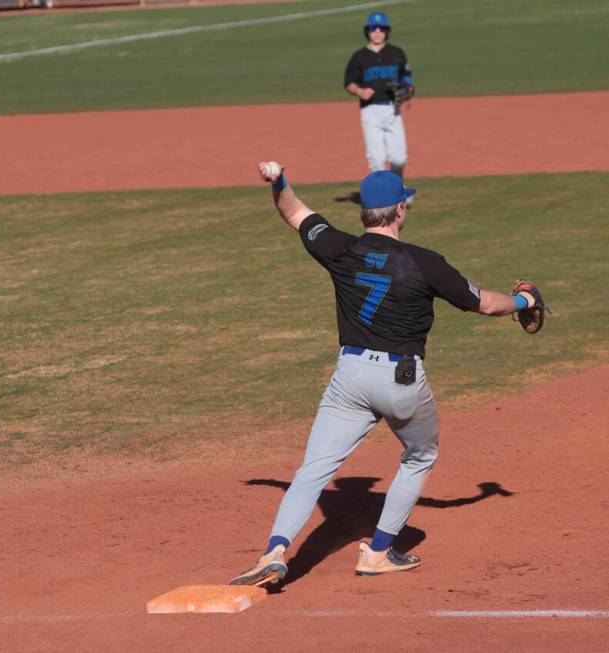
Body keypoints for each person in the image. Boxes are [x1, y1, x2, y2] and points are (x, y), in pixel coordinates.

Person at [229, 165, 540, 585]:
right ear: (399, 210)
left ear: (363, 211)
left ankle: (275, 550)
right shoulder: (424, 262)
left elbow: (293, 211)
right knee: (420, 456)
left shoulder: (338, 247)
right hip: (400, 381)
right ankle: (377, 552)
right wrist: (523, 301)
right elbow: (484, 303)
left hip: (349, 377)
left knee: (313, 469)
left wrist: (279, 178)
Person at [344, 12, 414, 189]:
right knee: (376, 159)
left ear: (387, 31)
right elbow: (348, 83)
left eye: (381, 29)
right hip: (370, 111)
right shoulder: (359, 56)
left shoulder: (396, 53)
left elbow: (408, 80)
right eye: (373, 29)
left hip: (392, 109)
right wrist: (360, 91)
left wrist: (407, 90)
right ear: (367, 31)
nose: (377, 32)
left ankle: (398, 188)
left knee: (399, 158)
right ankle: (384, 196)